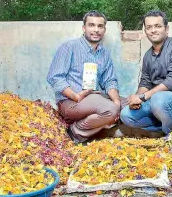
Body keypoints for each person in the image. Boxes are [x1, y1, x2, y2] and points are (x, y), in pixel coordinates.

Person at [120, 10, 172, 135]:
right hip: (158, 103)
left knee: (158, 99)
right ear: (145, 31)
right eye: (149, 27)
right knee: (126, 114)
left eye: (158, 26)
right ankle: (170, 127)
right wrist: (136, 99)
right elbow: (145, 83)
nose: (153, 30)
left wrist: (143, 97)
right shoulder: (148, 55)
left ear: (166, 29)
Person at [47, 10, 122, 144]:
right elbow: (55, 78)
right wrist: (76, 96)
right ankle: (75, 132)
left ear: (104, 29)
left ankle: (100, 125)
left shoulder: (104, 53)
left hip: (95, 98)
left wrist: (117, 103)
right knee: (110, 109)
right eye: (91, 25)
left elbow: (109, 81)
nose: (96, 30)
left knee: (129, 105)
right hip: (70, 102)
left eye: (100, 26)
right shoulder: (69, 47)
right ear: (84, 28)